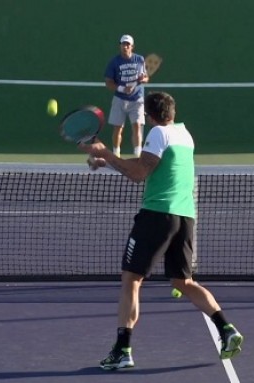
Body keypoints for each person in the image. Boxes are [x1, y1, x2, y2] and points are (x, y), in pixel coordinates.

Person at [78, 91, 244, 370]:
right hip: (184, 217)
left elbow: (138, 174)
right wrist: (106, 162)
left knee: (131, 279)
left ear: (151, 117)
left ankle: (122, 350)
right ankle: (226, 329)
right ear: (172, 112)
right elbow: (151, 168)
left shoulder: (158, 134)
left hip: (157, 215)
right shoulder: (185, 135)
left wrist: (104, 151)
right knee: (184, 283)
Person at [104, 34, 149, 158]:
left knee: (137, 126)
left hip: (137, 99)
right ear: (120, 46)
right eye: (123, 44)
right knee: (118, 128)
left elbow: (145, 77)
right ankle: (116, 153)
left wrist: (143, 79)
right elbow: (108, 82)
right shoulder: (114, 62)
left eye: (128, 44)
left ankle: (138, 154)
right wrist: (122, 88)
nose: (125, 47)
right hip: (119, 99)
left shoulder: (140, 59)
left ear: (132, 46)